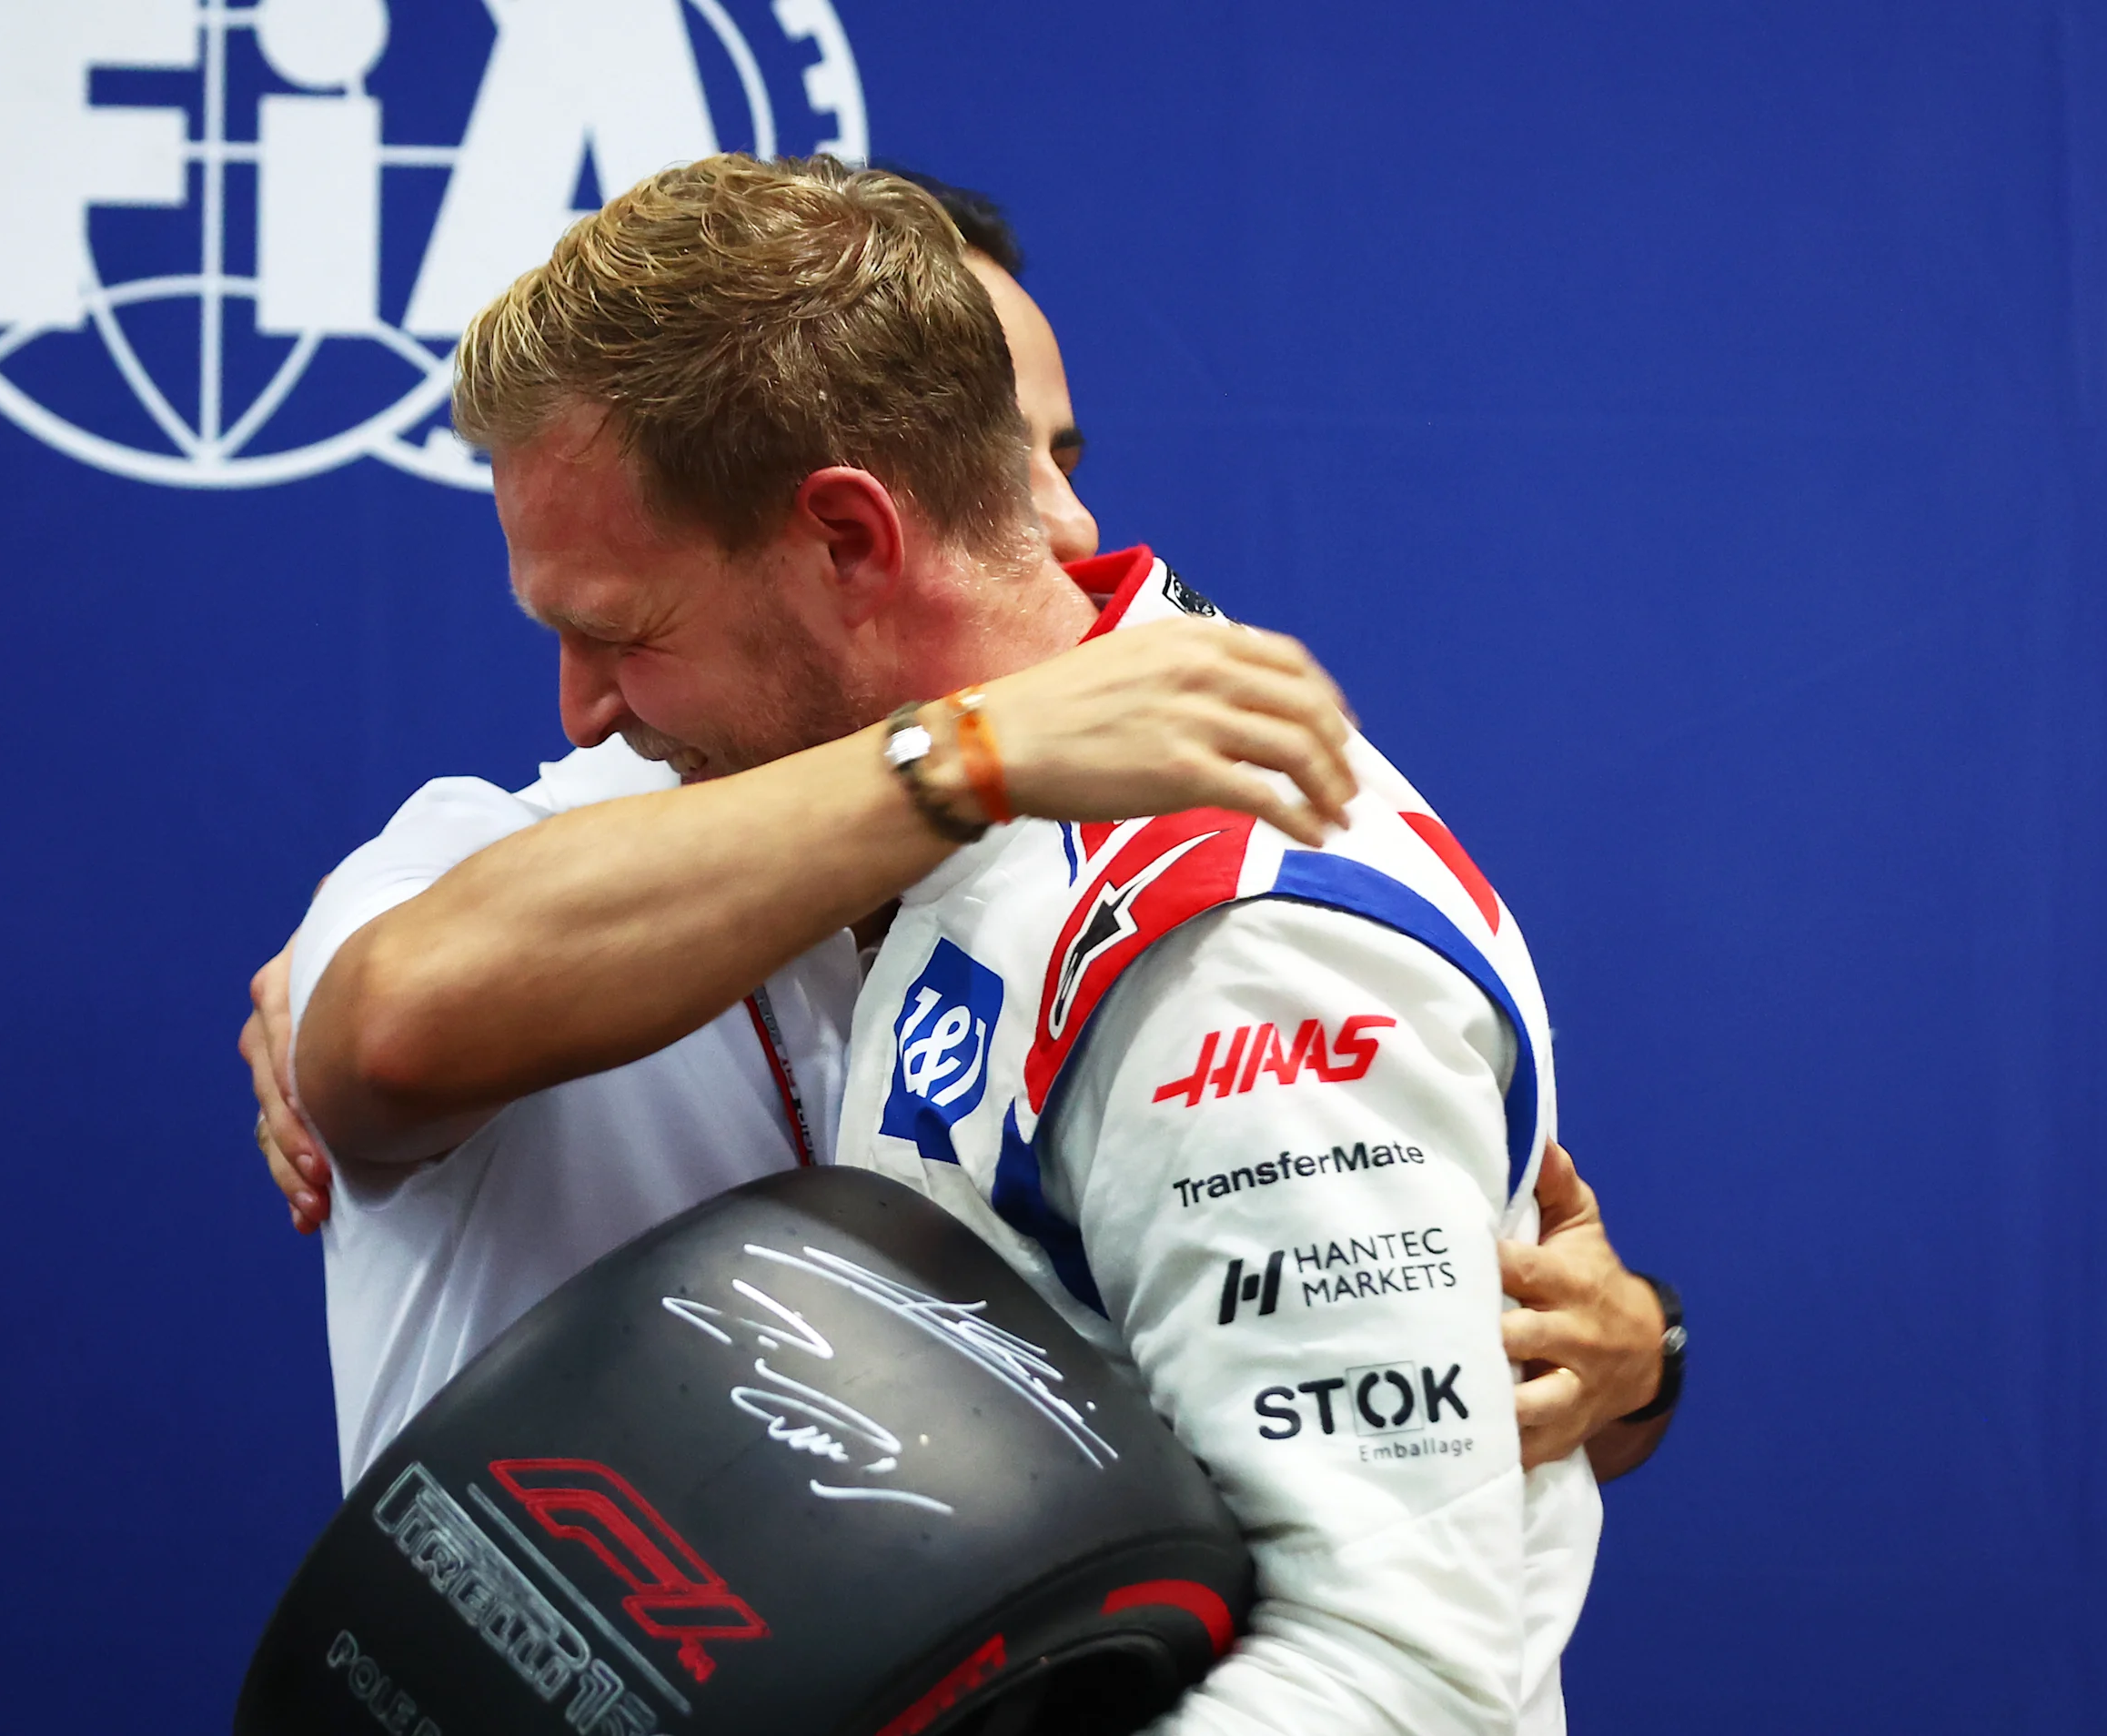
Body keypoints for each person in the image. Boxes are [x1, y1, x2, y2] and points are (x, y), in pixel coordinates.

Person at [240, 172, 1678, 1492]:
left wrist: (1625, 1366)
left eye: (1053, 453)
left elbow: (1395, 1447)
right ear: (866, 523)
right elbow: (388, 1033)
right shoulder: (517, 848)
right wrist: (971, 755)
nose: (1060, 517)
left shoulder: (1196, 896)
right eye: (1002, 462)